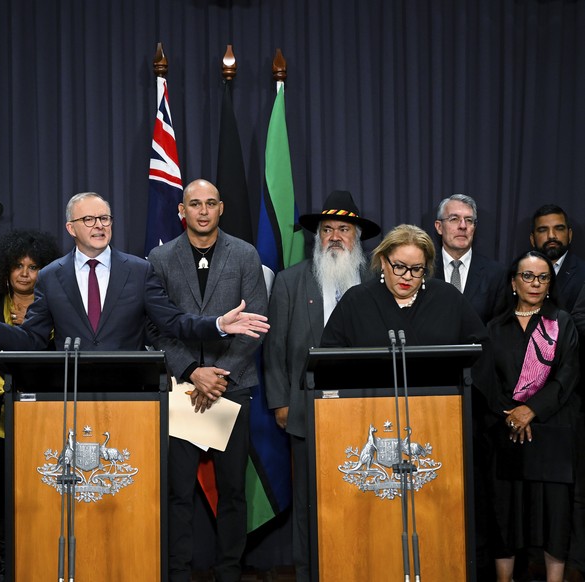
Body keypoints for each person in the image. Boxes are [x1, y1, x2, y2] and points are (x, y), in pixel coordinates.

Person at [0, 192, 269, 350]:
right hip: (72, 397)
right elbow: (34, 339)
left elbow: (172, 322)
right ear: (71, 227)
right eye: (89, 220)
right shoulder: (52, 275)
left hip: (130, 396)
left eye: (105, 218)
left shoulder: (139, 271)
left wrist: (219, 324)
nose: (99, 225)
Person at [146, 179, 267, 582]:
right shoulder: (160, 258)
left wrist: (219, 376)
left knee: (232, 491)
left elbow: (256, 325)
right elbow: (155, 328)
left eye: (210, 203)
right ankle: (177, 572)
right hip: (182, 389)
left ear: (221, 209)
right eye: (194, 204)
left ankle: (229, 570)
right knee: (177, 492)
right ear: (182, 211)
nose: (202, 210)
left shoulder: (245, 255)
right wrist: (193, 372)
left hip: (233, 388)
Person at [264, 189, 381, 581]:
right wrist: (280, 401)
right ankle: (308, 571)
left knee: (361, 493)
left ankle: (359, 567)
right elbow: (275, 345)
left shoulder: (377, 281)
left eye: (343, 229)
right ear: (316, 237)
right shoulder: (290, 282)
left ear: (356, 237)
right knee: (309, 499)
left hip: (365, 408)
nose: (334, 236)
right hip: (305, 407)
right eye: (327, 229)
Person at [482, 251, 580, 582]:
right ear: (513, 282)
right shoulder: (493, 328)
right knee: (505, 513)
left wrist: (532, 410)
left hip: (549, 430)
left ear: (550, 283)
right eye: (527, 276)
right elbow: (487, 381)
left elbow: (567, 376)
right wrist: (510, 414)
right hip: (506, 430)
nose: (535, 284)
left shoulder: (561, 322)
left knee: (555, 515)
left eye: (543, 277)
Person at [0, 228, 59, 581]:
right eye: (18, 266)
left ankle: (37, 563)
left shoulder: (56, 303)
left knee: (39, 497)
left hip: (44, 413)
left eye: (34, 266)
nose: (26, 273)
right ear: (6, 271)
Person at [321, 224, 487, 348]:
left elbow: (479, 351)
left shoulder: (447, 297)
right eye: (399, 267)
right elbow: (330, 357)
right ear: (384, 262)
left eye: (416, 269)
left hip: (439, 395)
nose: (407, 277)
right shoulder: (356, 300)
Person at [433, 194, 507, 323]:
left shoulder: (496, 274)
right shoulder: (423, 270)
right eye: (454, 219)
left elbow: (499, 328)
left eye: (469, 220)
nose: (463, 226)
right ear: (439, 227)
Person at [530, 204, 585, 313]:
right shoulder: (518, 274)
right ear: (532, 239)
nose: (551, 235)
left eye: (559, 229)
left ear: (569, 235)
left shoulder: (583, 273)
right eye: (543, 230)